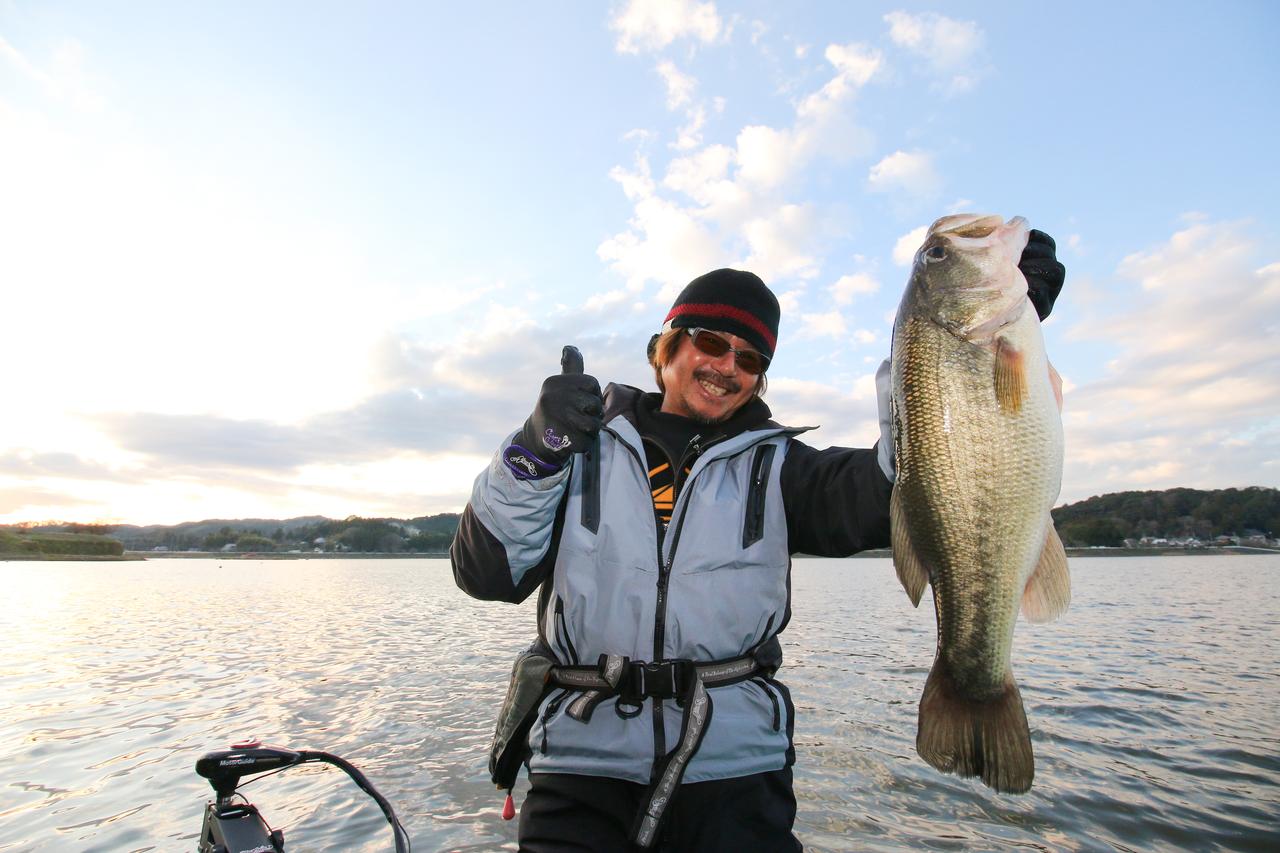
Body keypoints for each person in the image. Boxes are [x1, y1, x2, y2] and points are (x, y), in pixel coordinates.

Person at [451, 233, 1065, 852]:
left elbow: (910, 475)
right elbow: (486, 572)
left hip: (737, 774)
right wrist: (536, 449)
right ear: (666, 348)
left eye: (750, 361)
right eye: (712, 344)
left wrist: (976, 360)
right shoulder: (572, 448)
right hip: (581, 771)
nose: (727, 368)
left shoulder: (786, 470)